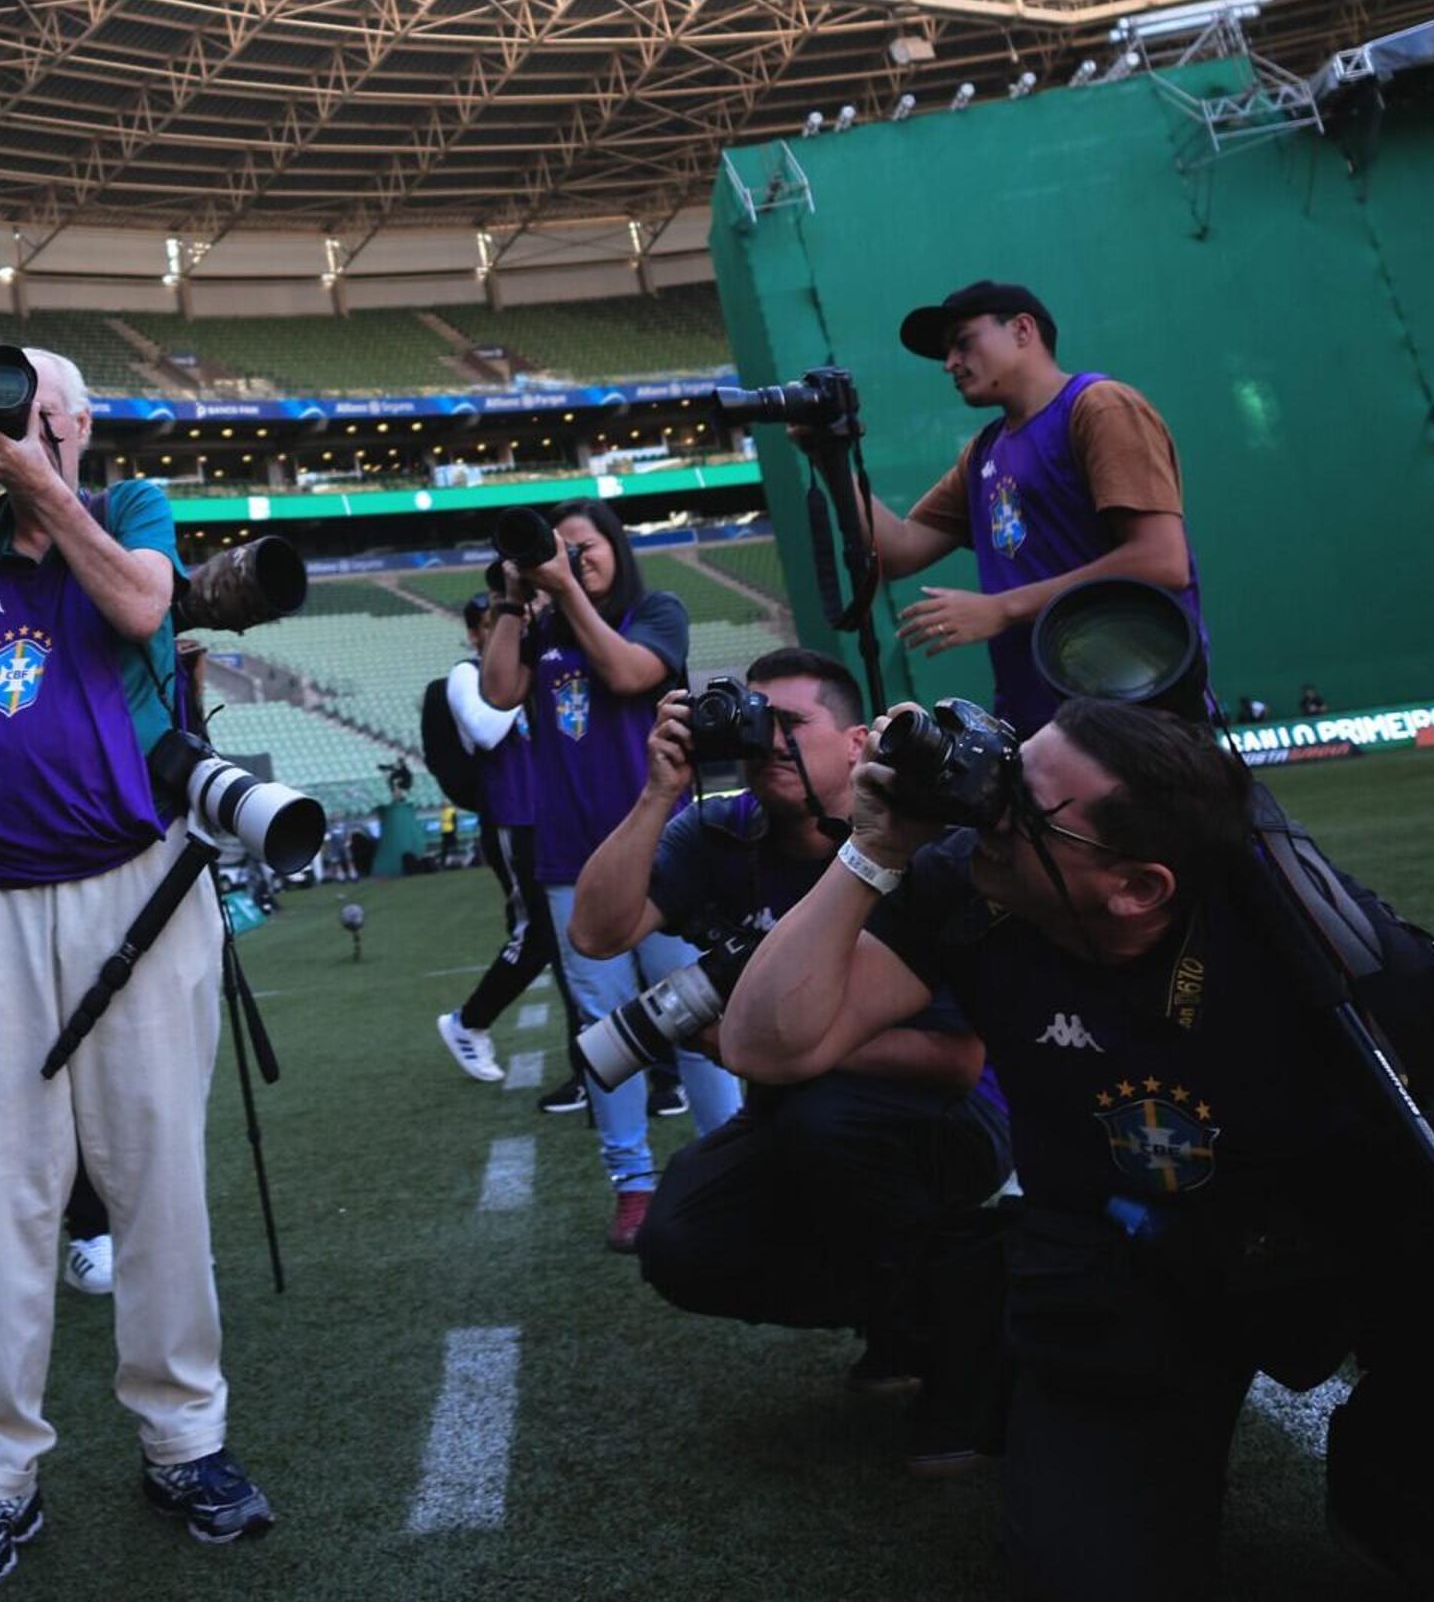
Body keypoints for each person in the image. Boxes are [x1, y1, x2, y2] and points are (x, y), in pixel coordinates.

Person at [725, 698, 1434, 1597]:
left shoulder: (1313, 942)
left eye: (1028, 802)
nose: (989, 806)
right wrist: (870, 854)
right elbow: (768, 1043)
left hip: (1327, 1239)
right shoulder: (969, 885)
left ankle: (1395, 1497)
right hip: (1121, 1271)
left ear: (1135, 889)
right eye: (1012, 761)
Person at [0, 345, 273, 1583]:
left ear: (80, 423)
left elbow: (144, 606)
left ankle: (185, 1440)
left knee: (155, 1167)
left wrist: (46, 487)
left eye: (39, 412)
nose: (19, 428)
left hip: (137, 886)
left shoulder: (127, 510)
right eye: (6, 412)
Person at [568, 650, 1012, 1450]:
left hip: (949, 1121)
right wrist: (658, 791)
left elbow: (959, 1063)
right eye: (755, 720)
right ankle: (899, 1310)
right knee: (681, 1240)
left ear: (854, 745)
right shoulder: (719, 833)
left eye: (793, 725)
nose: (769, 741)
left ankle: (964, 1329)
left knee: (827, 1121)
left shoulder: (918, 844)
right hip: (798, 1115)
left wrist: (766, 1047)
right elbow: (597, 933)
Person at [476, 500, 694, 1249]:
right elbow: (497, 692)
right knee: (609, 1033)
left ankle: (734, 1155)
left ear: (616, 548)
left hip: (669, 853)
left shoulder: (655, 611)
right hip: (571, 859)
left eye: (586, 546)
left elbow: (632, 675)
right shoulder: (539, 627)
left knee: (691, 1017)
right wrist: (513, 596)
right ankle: (633, 1183)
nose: (573, 559)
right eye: (561, 549)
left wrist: (563, 590)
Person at [865, 281, 1196, 731]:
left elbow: (1163, 560)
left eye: (963, 343)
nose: (950, 364)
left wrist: (1001, 608)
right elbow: (897, 552)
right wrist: (830, 453)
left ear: (1022, 330)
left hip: (1134, 712)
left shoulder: (1098, 406)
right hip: (1039, 717)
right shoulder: (984, 451)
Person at [428, 592, 545, 1087]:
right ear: (477, 634)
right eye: (492, 623)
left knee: (566, 935)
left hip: (555, 815)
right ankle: (469, 1021)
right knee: (535, 931)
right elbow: (486, 731)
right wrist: (521, 678)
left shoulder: (543, 662)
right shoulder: (465, 675)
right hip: (513, 816)